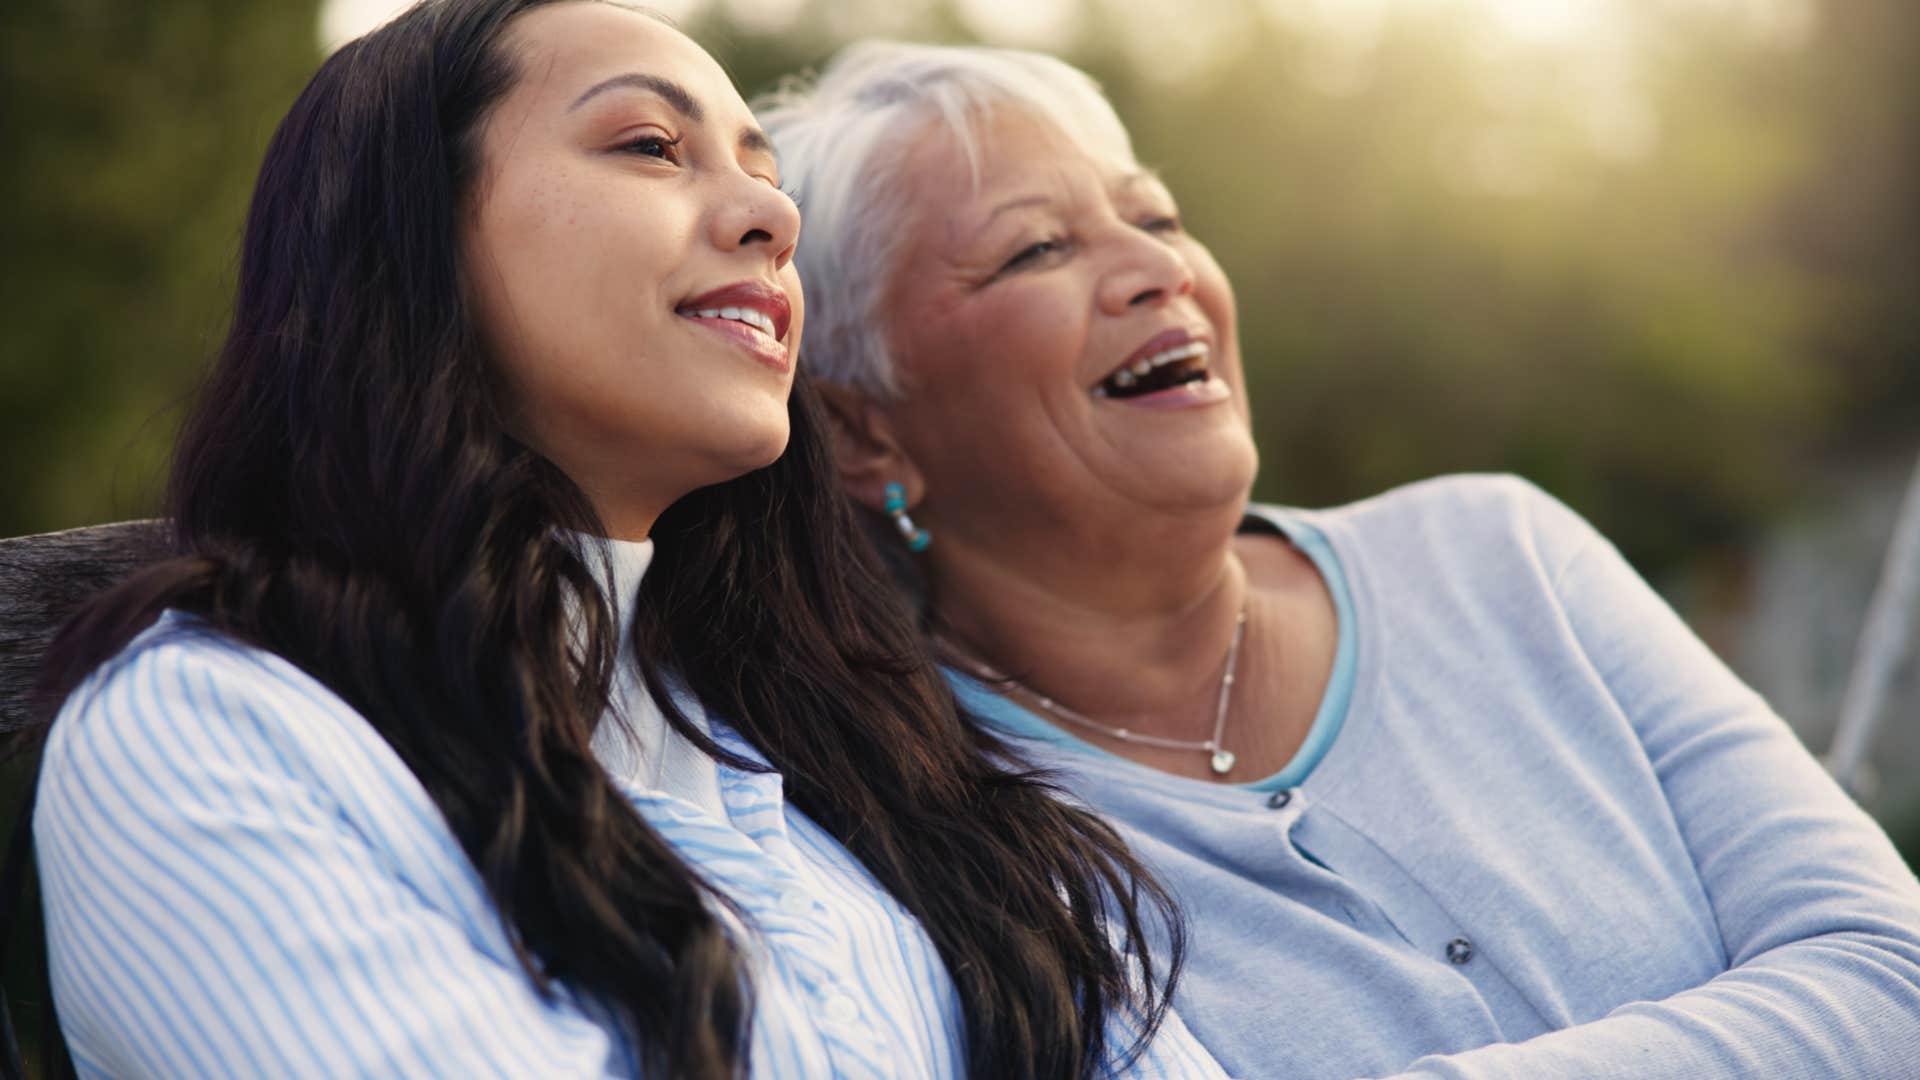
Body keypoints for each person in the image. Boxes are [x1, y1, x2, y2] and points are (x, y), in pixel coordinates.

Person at [19, 6, 1230, 1077]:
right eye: (651, 146)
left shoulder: (861, 747)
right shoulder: (210, 737)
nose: (771, 212)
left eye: (764, 173)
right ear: (409, 239)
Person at [758, 40, 1920, 1080]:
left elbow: (1892, 976)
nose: (1158, 270)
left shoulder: (1500, 552)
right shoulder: (899, 830)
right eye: (1036, 249)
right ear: (864, 429)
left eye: (1156, 219)